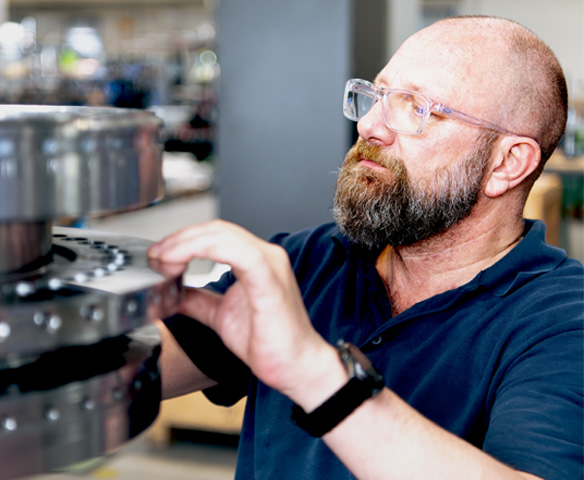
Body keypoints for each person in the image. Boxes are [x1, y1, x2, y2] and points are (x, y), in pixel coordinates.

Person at [148, 15, 583, 480]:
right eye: (377, 97)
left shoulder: (560, 322)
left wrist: (313, 372)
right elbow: (132, 370)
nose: (369, 125)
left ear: (507, 164)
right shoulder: (308, 262)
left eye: (416, 108)